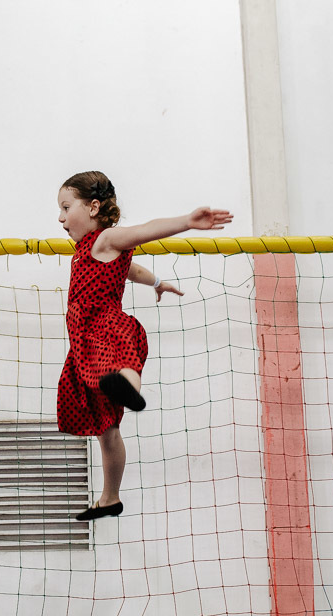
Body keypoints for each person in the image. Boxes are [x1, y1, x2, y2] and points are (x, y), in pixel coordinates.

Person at [56, 170, 232, 520]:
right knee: (107, 432)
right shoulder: (90, 249)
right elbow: (130, 269)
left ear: (93, 207)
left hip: (106, 326)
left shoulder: (106, 238)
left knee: (122, 365)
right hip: (83, 345)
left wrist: (187, 221)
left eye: (65, 207)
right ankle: (110, 498)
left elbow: (145, 230)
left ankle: (129, 389)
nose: (60, 217)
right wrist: (158, 281)